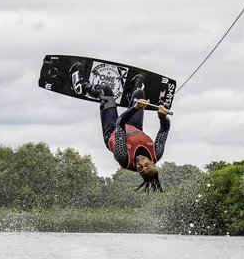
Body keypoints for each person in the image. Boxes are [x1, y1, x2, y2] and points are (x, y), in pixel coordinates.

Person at [70, 63, 171, 192]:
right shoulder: (156, 153)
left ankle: (80, 86)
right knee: (139, 93)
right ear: (153, 163)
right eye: (146, 164)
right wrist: (163, 117)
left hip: (112, 129)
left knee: (105, 91)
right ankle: (133, 94)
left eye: (140, 168)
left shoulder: (123, 158)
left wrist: (135, 108)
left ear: (138, 172)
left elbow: (119, 124)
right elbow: (164, 129)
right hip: (135, 126)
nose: (141, 163)